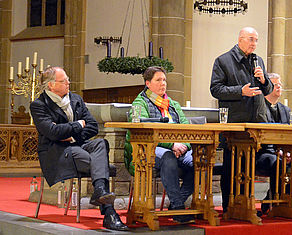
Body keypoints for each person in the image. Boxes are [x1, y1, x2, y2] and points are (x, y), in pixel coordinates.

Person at [30, 67, 128, 231]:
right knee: (100, 165)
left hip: (77, 144)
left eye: (67, 78)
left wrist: (71, 134)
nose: (69, 82)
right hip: (57, 152)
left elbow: (92, 127)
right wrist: (77, 124)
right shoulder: (39, 105)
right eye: (64, 80)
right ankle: (110, 214)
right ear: (51, 85)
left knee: (100, 144)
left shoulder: (76, 99)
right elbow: (52, 133)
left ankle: (100, 192)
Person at [210, 27, 273, 213]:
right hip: (235, 126)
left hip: (256, 124)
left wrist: (263, 81)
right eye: (251, 39)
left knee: (248, 168)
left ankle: (245, 205)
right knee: (231, 168)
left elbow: (268, 91)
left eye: (256, 40)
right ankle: (230, 207)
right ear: (240, 39)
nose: (254, 44)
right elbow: (215, 89)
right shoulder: (223, 61)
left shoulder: (258, 60)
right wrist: (240, 91)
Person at [123, 66, 195, 224]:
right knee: (168, 157)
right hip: (144, 151)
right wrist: (172, 145)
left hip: (177, 149)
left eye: (164, 80)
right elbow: (143, 132)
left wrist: (184, 145)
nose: (163, 83)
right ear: (148, 83)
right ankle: (178, 208)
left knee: (201, 162)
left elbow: (187, 129)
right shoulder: (140, 103)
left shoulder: (173, 105)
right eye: (158, 80)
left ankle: (178, 202)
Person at [256, 73, 292, 215]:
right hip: (264, 152)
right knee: (278, 162)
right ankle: (274, 201)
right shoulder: (259, 107)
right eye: (275, 84)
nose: (279, 86)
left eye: (280, 84)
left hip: (285, 151)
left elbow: (290, 134)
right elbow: (260, 135)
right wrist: (278, 152)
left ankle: (288, 196)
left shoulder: (285, 110)